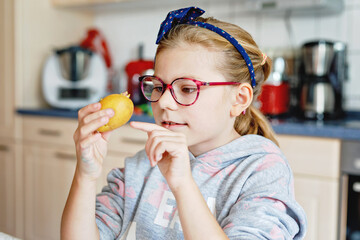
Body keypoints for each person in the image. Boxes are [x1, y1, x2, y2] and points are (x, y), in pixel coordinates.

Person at [61, 6, 307, 240]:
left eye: (188, 88)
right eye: (159, 86)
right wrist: (86, 174)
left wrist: (182, 184)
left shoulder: (262, 171)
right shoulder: (144, 166)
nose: (164, 102)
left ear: (239, 98)